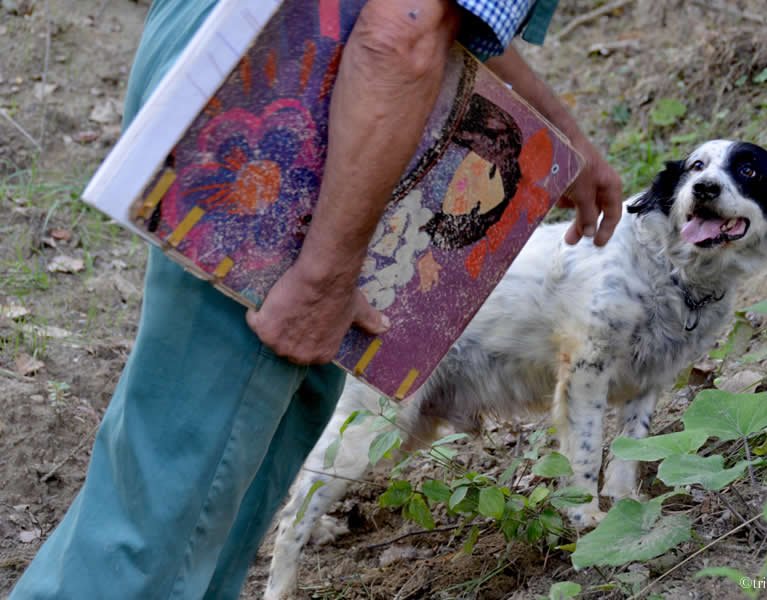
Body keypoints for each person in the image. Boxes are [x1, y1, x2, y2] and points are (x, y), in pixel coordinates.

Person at [10, 0, 622, 597]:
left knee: (220, 476)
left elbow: (446, 17)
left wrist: (567, 143)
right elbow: (402, 30)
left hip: (255, 48)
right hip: (311, 86)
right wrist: (323, 279)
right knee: (171, 511)